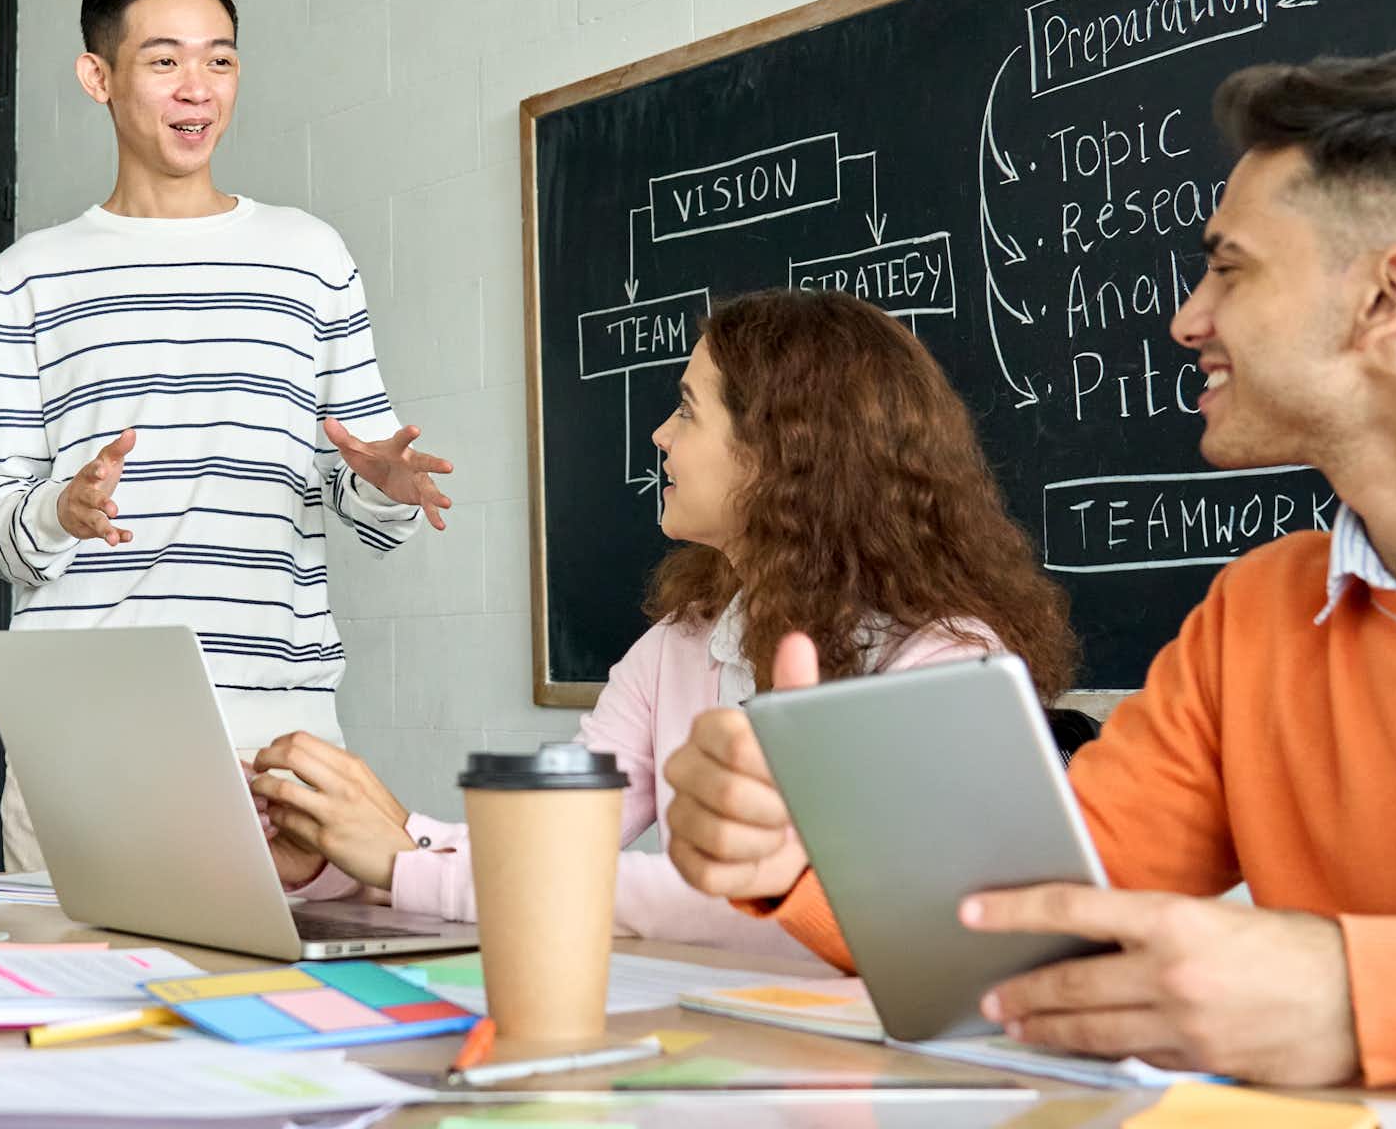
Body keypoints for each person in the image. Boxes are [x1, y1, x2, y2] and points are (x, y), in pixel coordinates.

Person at [661, 54, 1396, 1097]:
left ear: (1386, 294)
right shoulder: (1256, 614)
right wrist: (796, 851)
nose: (1186, 318)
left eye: (1231, 267)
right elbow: (1028, 922)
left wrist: (1359, 993)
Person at [248, 290, 1081, 953]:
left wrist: (401, 862)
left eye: (686, 411)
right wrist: (337, 857)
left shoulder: (947, 664)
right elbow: (553, 845)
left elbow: (766, 905)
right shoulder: (676, 647)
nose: (657, 434)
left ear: (782, 451)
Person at [0, 0, 453, 871]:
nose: (199, 88)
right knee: (80, 1003)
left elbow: (374, 516)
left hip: (280, 725)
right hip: (89, 720)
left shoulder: (311, 255)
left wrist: (380, 482)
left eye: (220, 60)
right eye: (165, 60)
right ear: (97, 76)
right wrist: (58, 508)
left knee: (280, 1006)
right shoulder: (28, 277)